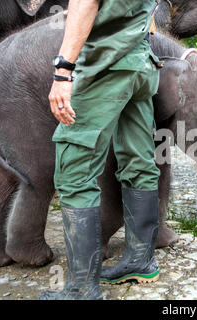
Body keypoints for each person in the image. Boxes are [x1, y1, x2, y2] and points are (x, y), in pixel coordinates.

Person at [39, 0, 162, 300]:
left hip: (107, 63)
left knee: (75, 170)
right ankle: (141, 260)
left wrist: (63, 70)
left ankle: (82, 289)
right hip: (140, 62)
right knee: (139, 162)